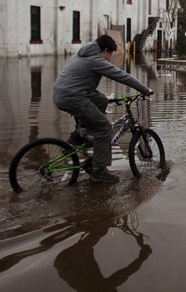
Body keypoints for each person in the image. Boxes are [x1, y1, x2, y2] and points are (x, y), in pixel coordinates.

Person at [52, 35, 153, 184]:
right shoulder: (96, 60)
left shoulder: (83, 53)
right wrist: (145, 89)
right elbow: (121, 76)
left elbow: (81, 81)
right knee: (104, 128)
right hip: (73, 98)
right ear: (105, 50)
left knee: (101, 100)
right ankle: (98, 171)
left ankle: (80, 134)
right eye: (110, 54)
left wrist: (105, 97)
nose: (109, 58)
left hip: (64, 93)